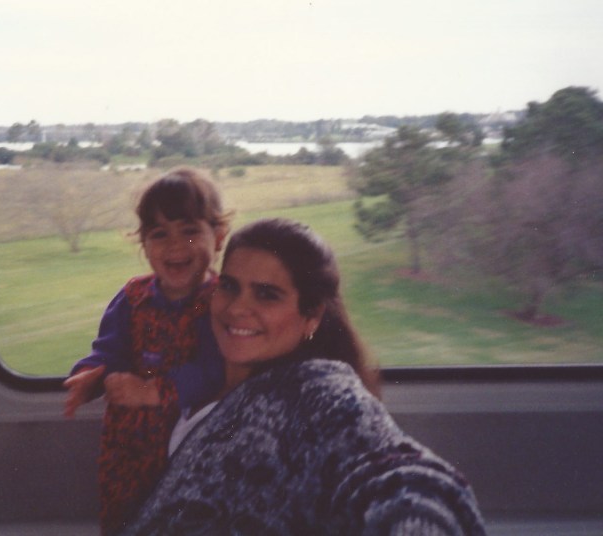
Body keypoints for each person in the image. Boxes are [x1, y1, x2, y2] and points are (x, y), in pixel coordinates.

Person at [123, 218, 486, 535]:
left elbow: (400, 476)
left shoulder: (316, 388)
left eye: (267, 295)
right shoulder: (204, 377)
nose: (236, 308)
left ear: (311, 316)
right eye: (230, 286)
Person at [63, 167, 231, 535]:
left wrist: (154, 392)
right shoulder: (132, 298)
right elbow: (109, 352)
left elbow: (215, 368)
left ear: (218, 237)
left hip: (190, 445)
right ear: (143, 244)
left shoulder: (219, 302)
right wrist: (93, 376)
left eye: (189, 231)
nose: (174, 246)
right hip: (128, 446)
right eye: (159, 234)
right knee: (126, 518)